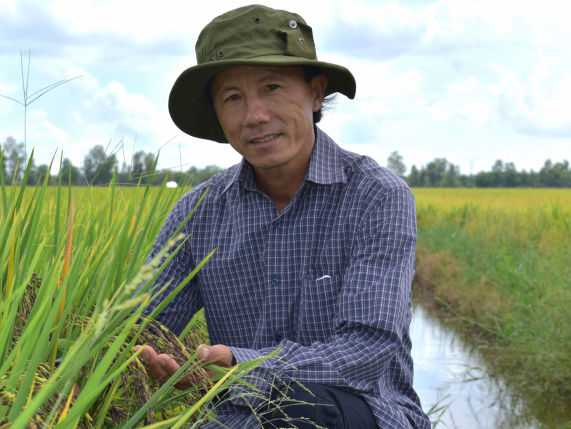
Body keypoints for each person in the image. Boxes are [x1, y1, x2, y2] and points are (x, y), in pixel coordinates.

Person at [133, 5, 430, 429]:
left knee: (297, 409)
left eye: (272, 87)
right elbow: (144, 324)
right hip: (238, 420)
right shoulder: (198, 213)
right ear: (218, 113)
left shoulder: (377, 196)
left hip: (362, 415)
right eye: (233, 97)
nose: (254, 115)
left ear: (315, 92)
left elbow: (366, 350)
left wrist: (241, 365)